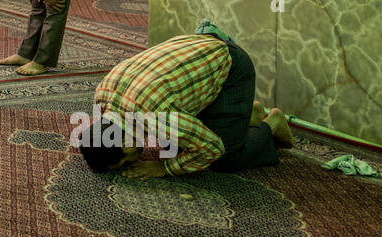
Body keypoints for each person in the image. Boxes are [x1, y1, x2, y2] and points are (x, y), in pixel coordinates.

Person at [74, 22, 293, 178]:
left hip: (232, 67)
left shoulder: (156, 117)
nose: (132, 162)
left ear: (123, 142)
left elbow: (212, 148)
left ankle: (271, 123)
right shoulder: (101, 95)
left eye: (125, 161)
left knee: (225, 159)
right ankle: (246, 116)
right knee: (177, 146)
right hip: (198, 46)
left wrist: (165, 169)